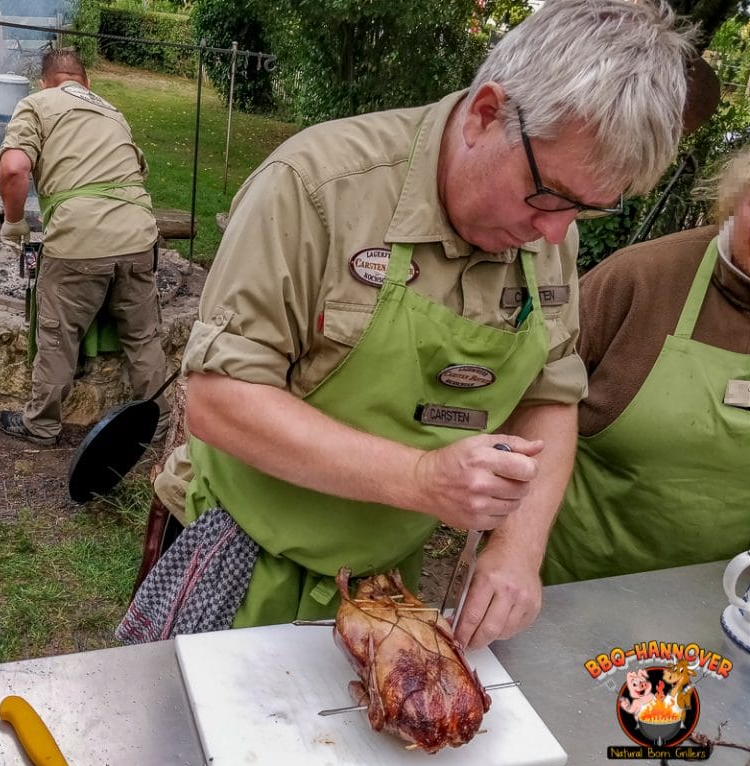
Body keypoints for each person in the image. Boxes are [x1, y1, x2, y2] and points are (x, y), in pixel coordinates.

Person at [118, 0, 694, 650]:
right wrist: (421, 480)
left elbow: (549, 397)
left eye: (586, 212)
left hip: (386, 580)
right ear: (485, 114)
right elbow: (218, 403)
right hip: (240, 552)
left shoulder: (544, 229)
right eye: (549, 196)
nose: (557, 232)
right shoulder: (316, 187)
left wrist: (518, 549)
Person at [541, 146, 750, 584]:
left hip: (722, 608)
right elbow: (526, 400)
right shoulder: (637, 280)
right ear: (736, 199)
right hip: (575, 590)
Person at [0, 49, 168, 447]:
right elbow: (138, 172)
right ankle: (158, 420)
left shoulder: (36, 104)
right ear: (85, 82)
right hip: (139, 236)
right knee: (143, 335)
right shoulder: (112, 111)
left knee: (57, 333)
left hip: (79, 243)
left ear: (46, 81)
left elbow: (14, 168)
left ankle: (41, 425)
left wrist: (15, 221)